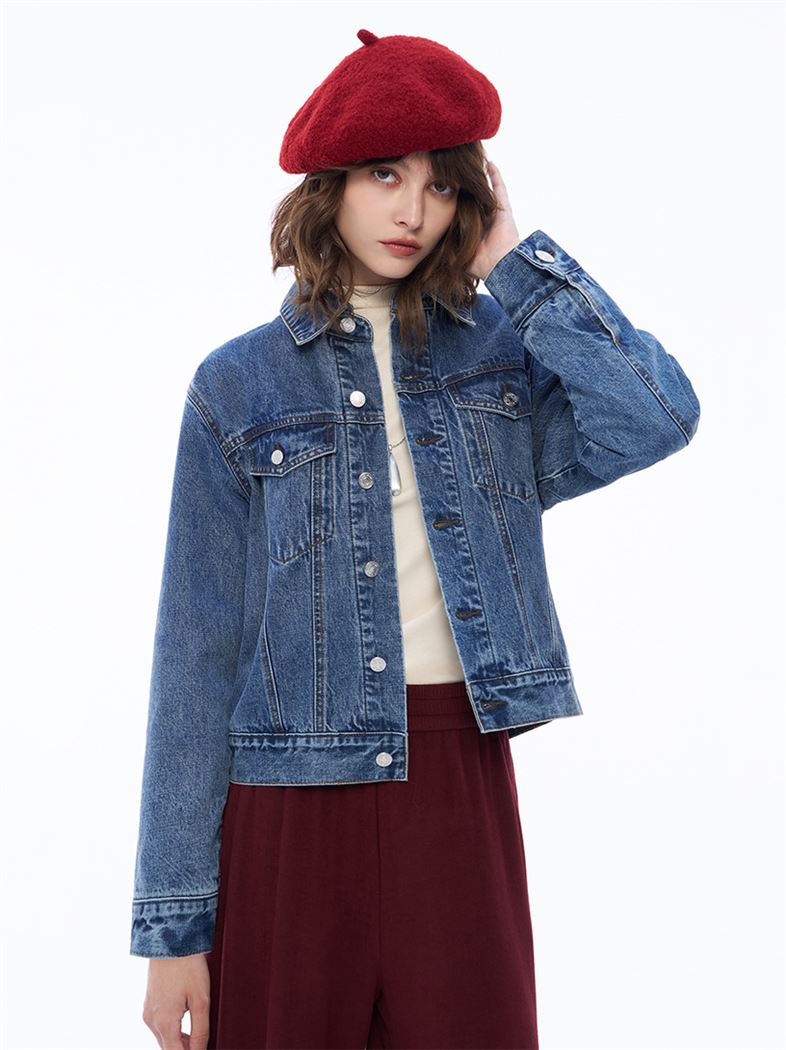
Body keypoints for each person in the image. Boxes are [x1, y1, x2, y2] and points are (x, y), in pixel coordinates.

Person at [130, 28, 701, 1050]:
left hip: (455, 779)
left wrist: (518, 266)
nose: (412, 211)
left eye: (442, 185)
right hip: (290, 803)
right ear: (331, 187)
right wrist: (175, 930)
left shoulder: (501, 361)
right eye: (385, 175)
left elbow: (654, 415)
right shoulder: (237, 386)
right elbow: (194, 657)